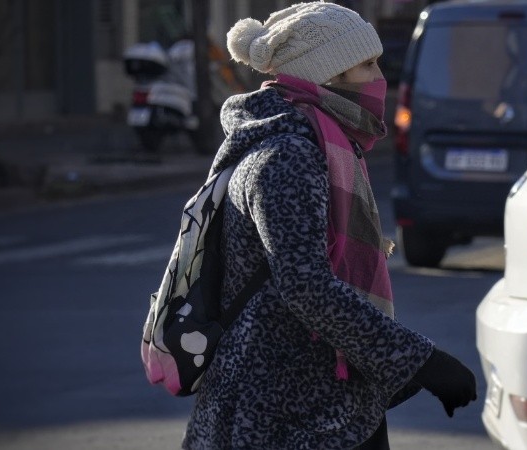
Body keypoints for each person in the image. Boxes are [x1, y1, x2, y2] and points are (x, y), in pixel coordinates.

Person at [183, 2, 477, 449]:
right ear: (329, 75)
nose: (381, 77)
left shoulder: (317, 142)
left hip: (318, 401)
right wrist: (420, 361)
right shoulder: (288, 154)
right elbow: (304, 284)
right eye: (367, 65)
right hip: (279, 412)